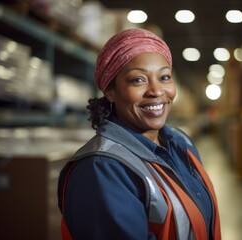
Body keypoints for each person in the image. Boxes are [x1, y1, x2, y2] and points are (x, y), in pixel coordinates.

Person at [57, 28, 221, 240]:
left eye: (164, 77)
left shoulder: (181, 143)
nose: (156, 91)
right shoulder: (102, 169)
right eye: (139, 80)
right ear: (110, 91)